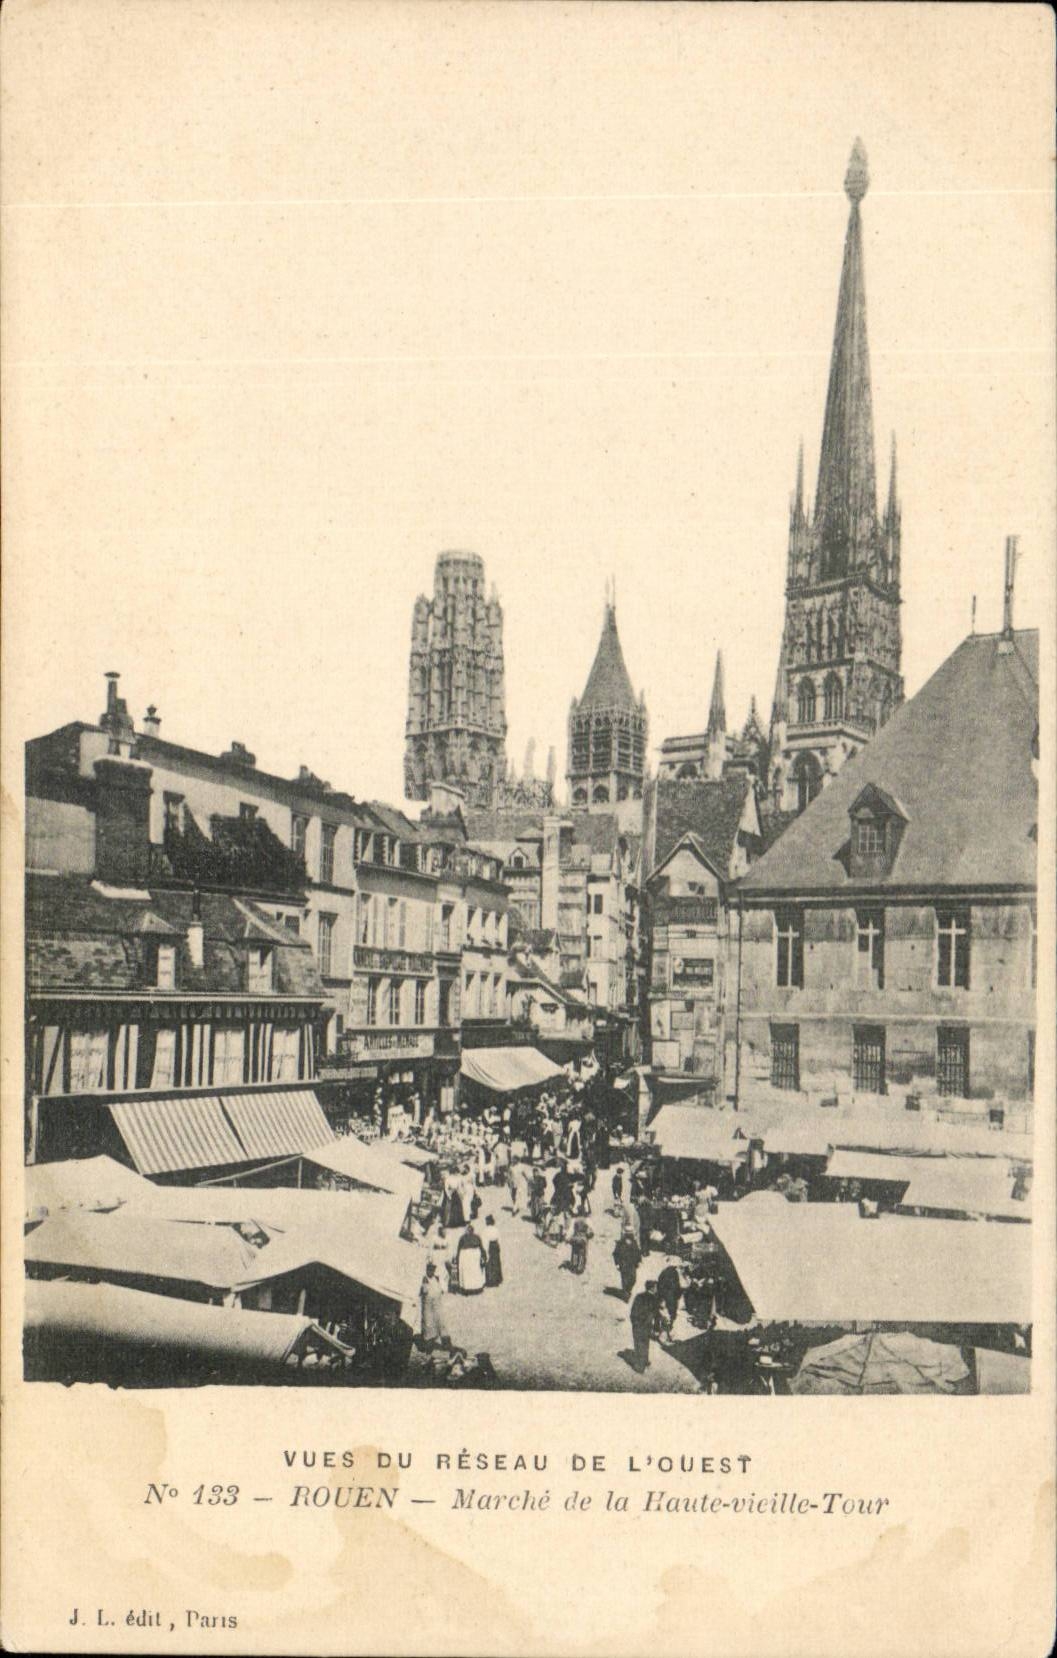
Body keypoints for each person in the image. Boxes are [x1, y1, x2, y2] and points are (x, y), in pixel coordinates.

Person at [629, 1280, 660, 1373]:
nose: (657, 1289)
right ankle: (642, 1364)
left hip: (638, 1324)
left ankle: (641, 1363)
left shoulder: (639, 1296)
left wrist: (634, 1322)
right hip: (647, 1325)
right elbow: (657, 1315)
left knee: (639, 1343)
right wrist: (656, 1328)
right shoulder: (655, 1299)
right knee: (645, 1342)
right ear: (652, 1288)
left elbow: (633, 1310)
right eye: (656, 1287)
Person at [419, 1261, 450, 1351]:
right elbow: (423, 1292)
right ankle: (429, 1343)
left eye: (432, 1270)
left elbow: (442, 1290)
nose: (431, 1272)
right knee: (428, 1323)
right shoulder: (424, 1279)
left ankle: (445, 1342)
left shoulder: (436, 1278)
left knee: (441, 1322)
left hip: (437, 1303)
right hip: (427, 1305)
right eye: (429, 1270)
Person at [455, 1221, 487, 1294]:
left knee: (474, 1271)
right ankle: (469, 1288)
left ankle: (475, 1287)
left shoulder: (475, 1237)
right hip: (466, 1256)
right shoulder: (464, 1238)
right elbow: (459, 1248)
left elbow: (481, 1247)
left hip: (472, 1256)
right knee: (469, 1271)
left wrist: (483, 1256)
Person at [613, 1228, 642, 1301]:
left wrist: (639, 1261)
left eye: (631, 1232)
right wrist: (617, 1264)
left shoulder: (634, 1242)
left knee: (633, 1279)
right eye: (628, 1232)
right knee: (625, 1280)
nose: (630, 1234)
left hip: (632, 1264)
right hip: (623, 1264)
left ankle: (628, 1290)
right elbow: (615, 1254)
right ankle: (625, 1294)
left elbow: (638, 1252)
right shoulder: (620, 1243)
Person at [656, 1261, 685, 1332]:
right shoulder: (673, 1273)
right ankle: (668, 1326)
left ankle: (665, 1327)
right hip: (670, 1295)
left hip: (665, 1295)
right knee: (671, 1312)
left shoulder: (664, 1272)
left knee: (666, 1312)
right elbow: (676, 1285)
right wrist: (679, 1293)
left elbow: (659, 1284)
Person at [483, 1214, 503, 1287]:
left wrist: (485, 1250)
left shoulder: (485, 1230)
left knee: (489, 1263)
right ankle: (497, 1279)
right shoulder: (496, 1229)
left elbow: (485, 1241)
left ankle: (490, 1280)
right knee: (496, 1262)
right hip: (495, 1246)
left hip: (490, 1246)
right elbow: (499, 1239)